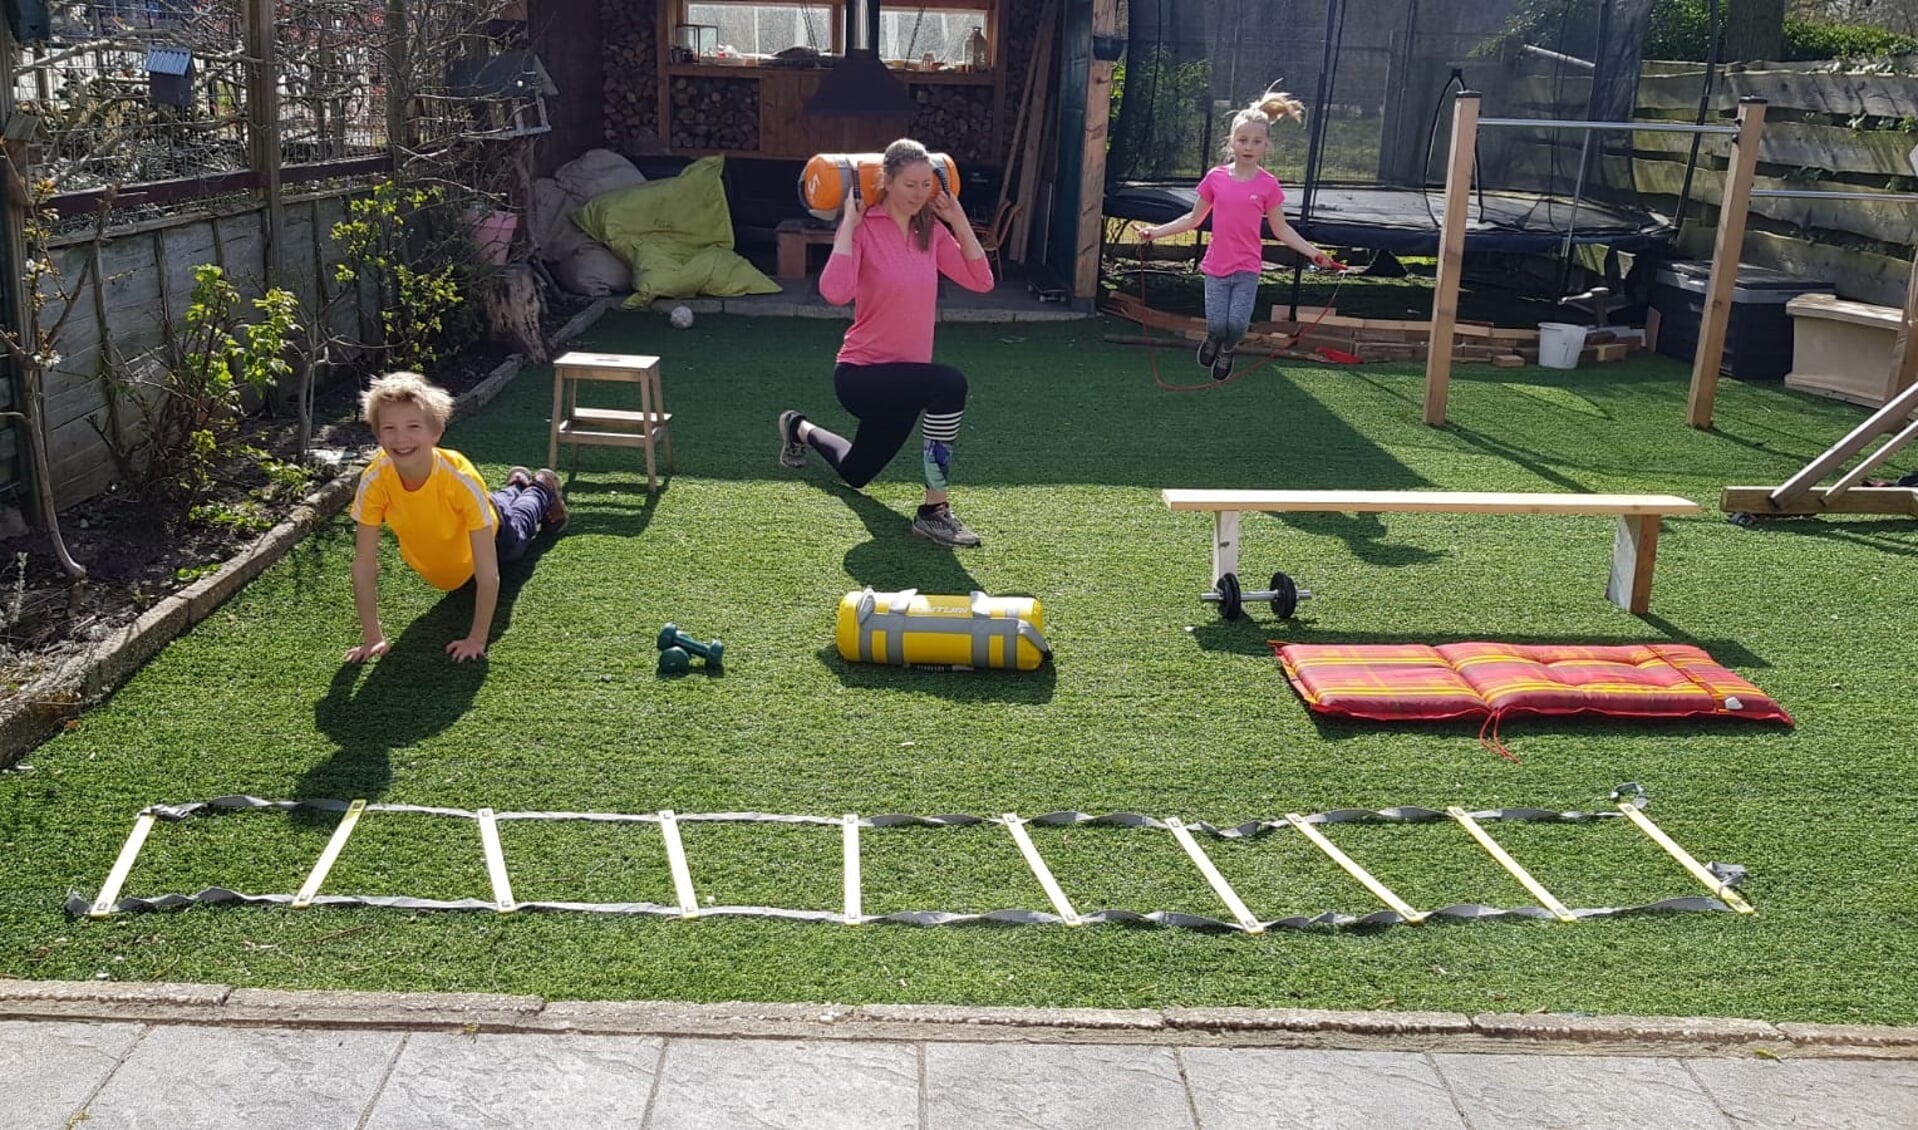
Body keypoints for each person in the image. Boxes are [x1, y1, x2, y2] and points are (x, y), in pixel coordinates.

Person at [776, 138, 996, 548]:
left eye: (926, 184)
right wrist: (848, 227)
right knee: (949, 384)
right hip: (861, 377)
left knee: (857, 472)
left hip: (905, 385)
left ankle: (797, 427)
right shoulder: (864, 227)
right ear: (888, 182)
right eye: (910, 184)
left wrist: (957, 219)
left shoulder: (928, 231)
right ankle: (935, 512)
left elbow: (982, 282)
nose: (919, 193)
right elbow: (835, 293)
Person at [344, 370, 568, 664]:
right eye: (390, 428)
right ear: (377, 433)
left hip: (496, 536)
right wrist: (372, 638)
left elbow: (488, 571)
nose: (401, 439)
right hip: (467, 514)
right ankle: (516, 484)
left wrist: (476, 639)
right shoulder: (376, 479)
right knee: (497, 501)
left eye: (413, 426)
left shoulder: (459, 478)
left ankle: (541, 487)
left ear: (435, 432)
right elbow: (364, 563)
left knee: (521, 528)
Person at [1135, 91, 1341, 381]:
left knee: (1237, 326)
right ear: (1232, 141)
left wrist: (1312, 252)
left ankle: (1228, 349)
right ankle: (1213, 341)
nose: (1249, 147)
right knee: (1218, 325)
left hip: (1247, 267)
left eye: (1257, 141)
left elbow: (1281, 229)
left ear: (1266, 145)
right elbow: (1194, 218)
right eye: (1243, 140)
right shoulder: (1216, 178)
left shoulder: (1268, 185)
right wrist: (1154, 232)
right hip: (1217, 267)